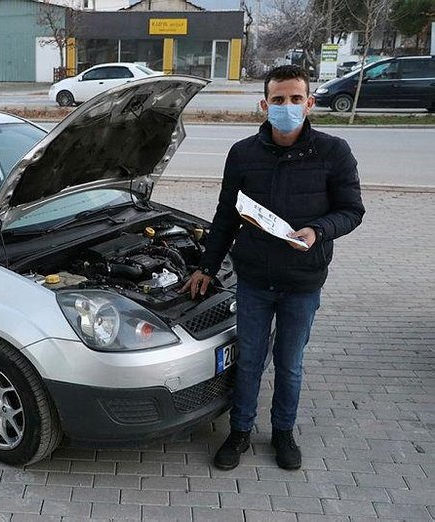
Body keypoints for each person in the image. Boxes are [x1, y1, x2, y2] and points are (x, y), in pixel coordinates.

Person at [181, 65, 365, 471]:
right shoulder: (244, 153)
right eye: (278, 100)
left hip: (303, 281)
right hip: (255, 280)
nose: (287, 107)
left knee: (289, 362)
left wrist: (319, 229)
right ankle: (240, 431)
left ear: (309, 103)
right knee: (248, 360)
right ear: (264, 104)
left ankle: (283, 432)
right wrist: (206, 267)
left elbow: (352, 211)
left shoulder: (333, 152)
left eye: (295, 99)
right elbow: (226, 216)